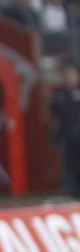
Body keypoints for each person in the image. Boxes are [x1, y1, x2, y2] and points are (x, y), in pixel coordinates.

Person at [52, 60, 80, 197]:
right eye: (66, 74)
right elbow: (55, 115)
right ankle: (73, 191)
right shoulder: (60, 94)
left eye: (72, 73)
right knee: (70, 164)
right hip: (68, 135)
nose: (69, 77)